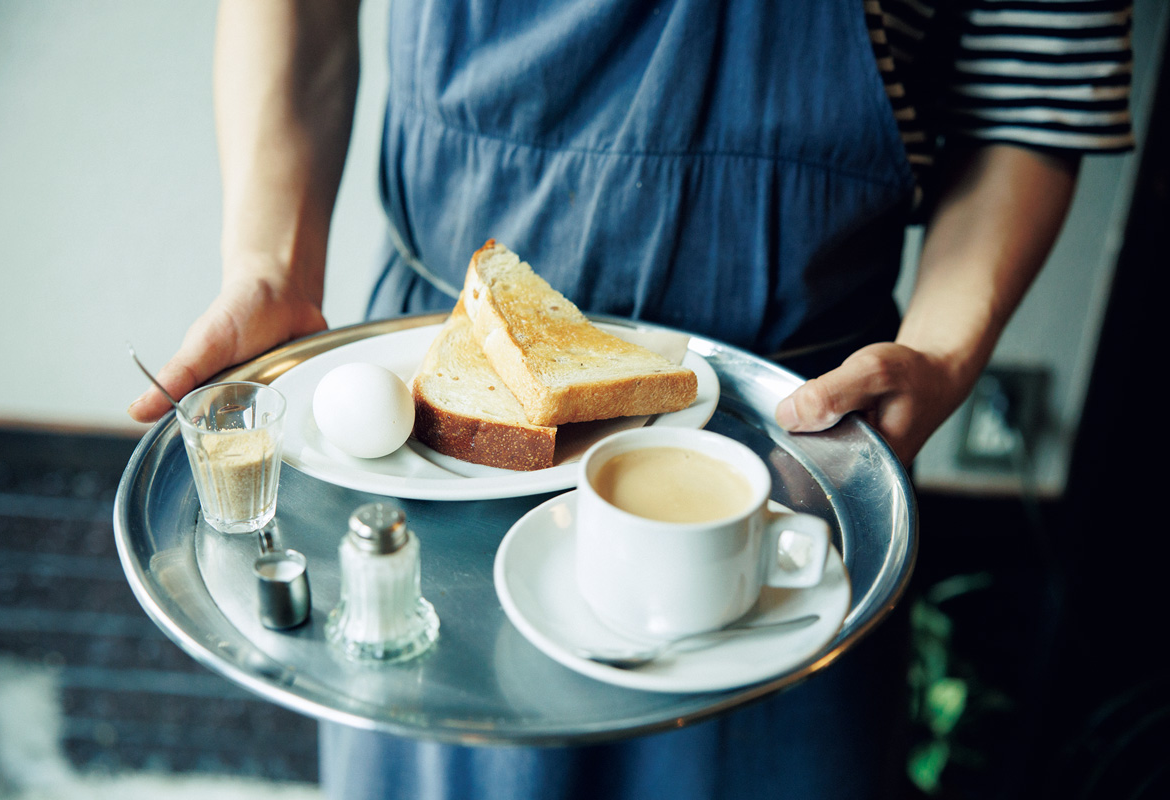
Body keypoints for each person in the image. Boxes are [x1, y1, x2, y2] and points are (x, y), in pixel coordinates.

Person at [128, 1, 1134, 797]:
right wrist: (270, 264)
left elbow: (1030, 90)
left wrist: (942, 351)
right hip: (433, 431)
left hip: (796, 429)